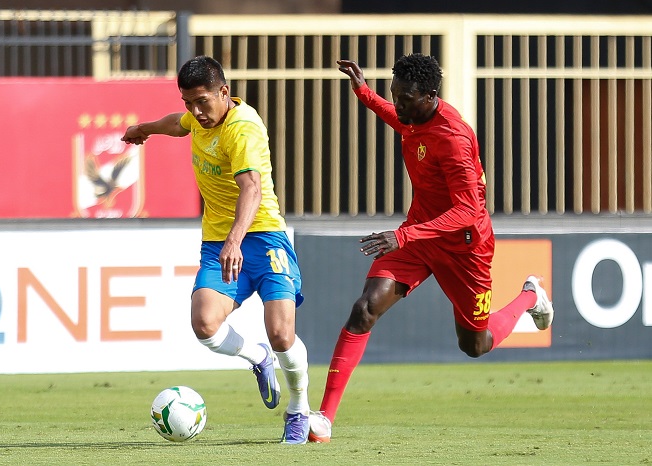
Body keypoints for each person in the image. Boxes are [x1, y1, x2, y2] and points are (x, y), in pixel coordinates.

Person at [307, 53, 554, 443]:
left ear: (430, 96)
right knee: (364, 309)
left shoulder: (452, 138)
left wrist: (402, 236)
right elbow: (401, 123)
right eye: (396, 95)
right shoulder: (415, 118)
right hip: (420, 235)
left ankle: (529, 296)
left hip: (464, 247)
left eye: (405, 98)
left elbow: (469, 211)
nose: (399, 105)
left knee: (476, 345)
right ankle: (323, 418)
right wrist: (366, 94)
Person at [121, 55, 311, 444]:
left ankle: (299, 409)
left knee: (281, 334)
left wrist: (235, 239)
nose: (196, 111)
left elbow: (252, 189)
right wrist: (144, 129)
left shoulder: (242, 130)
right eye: (188, 101)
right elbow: (179, 124)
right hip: (220, 242)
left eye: (202, 101)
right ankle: (256, 358)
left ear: (224, 92)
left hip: (262, 236)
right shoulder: (198, 115)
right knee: (205, 325)